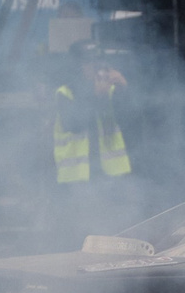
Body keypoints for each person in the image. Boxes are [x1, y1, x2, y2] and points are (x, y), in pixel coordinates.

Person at [53, 48, 132, 188]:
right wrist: (96, 96)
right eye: (88, 62)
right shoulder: (64, 93)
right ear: (77, 66)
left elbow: (130, 117)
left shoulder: (110, 90)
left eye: (97, 62)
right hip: (77, 179)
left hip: (111, 176)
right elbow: (74, 124)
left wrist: (123, 87)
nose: (94, 67)